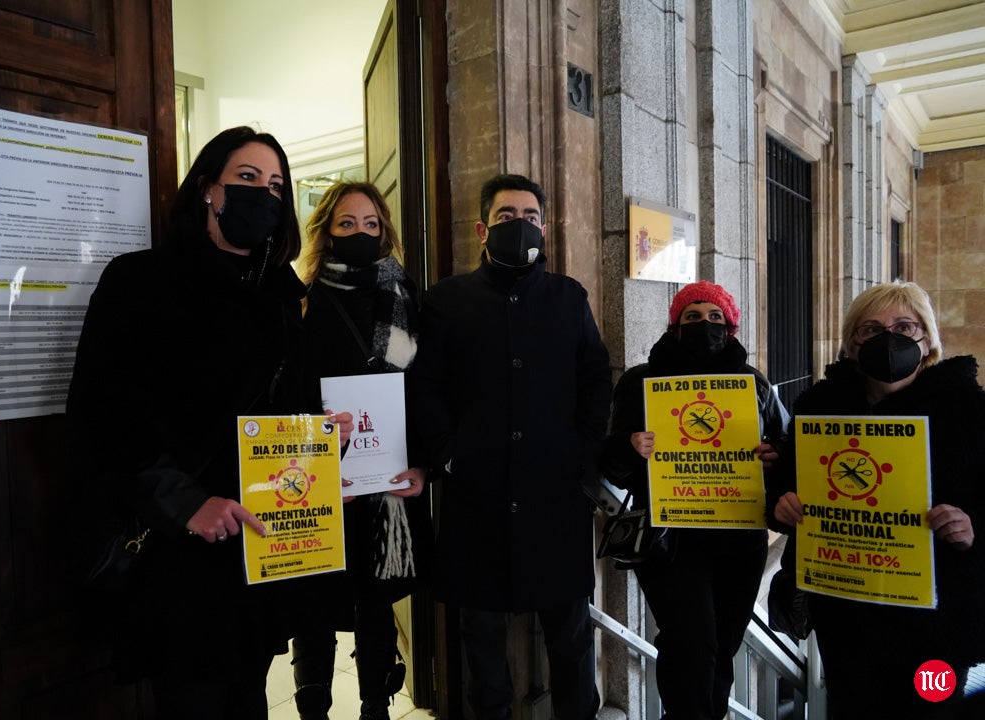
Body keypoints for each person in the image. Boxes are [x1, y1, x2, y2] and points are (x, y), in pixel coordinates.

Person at [67, 126, 353, 719]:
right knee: (193, 696)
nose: (264, 196)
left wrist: (323, 439)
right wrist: (184, 501)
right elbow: (103, 410)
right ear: (208, 190)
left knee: (250, 693)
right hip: (182, 548)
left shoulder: (282, 297)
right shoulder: (140, 280)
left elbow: (284, 411)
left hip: (261, 543)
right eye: (247, 179)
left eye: (276, 186)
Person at [414, 173, 611, 720]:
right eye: (506, 216)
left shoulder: (569, 298)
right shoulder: (447, 301)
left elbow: (596, 377)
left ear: (544, 229)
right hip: (476, 496)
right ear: (483, 228)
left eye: (529, 216)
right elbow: (424, 386)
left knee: (570, 637)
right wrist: (447, 452)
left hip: (555, 493)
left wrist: (583, 449)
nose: (518, 224)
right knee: (481, 639)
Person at [768, 281, 985, 720]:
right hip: (847, 617)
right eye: (870, 330)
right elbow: (787, 485)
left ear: (927, 341)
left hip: (936, 625)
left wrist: (972, 527)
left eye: (904, 326)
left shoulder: (970, 412)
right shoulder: (818, 407)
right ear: (851, 344)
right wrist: (780, 502)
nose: (888, 339)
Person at [599, 280, 789, 720]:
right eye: (692, 317)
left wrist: (773, 457)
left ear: (731, 327)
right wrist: (630, 446)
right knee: (692, 639)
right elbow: (612, 465)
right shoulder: (641, 382)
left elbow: (787, 448)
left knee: (722, 644)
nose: (705, 324)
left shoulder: (753, 384)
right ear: (674, 325)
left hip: (739, 539)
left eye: (715, 317)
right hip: (670, 539)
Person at [289, 181, 431, 720]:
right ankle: (314, 708)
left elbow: (422, 389)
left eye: (371, 224)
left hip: (386, 477)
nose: (360, 233)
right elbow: (285, 388)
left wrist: (422, 464)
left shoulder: (404, 296)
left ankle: (376, 705)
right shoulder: (300, 299)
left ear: (385, 230)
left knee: (376, 603)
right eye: (346, 224)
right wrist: (313, 429)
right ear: (326, 231)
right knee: (314, 604)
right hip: (317, 477)